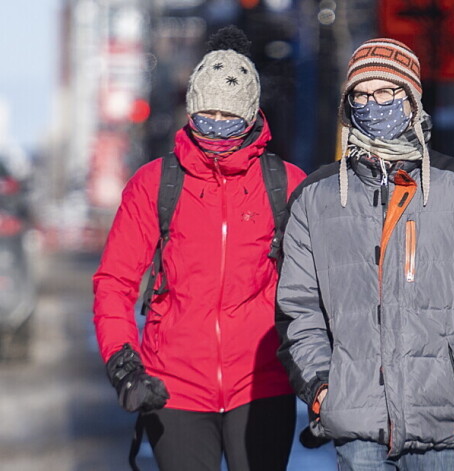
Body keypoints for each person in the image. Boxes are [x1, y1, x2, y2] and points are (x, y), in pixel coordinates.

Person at [276, 38, 454, 470]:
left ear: (412, 99)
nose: (372, 104)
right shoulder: (316, 197)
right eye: (361, 94)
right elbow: (296, 307)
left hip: (450, 418)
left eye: (386, 92)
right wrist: (323, 388)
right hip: (358, 423)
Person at [93, 25, 306, 471]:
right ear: (190, 111)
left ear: (251, 116)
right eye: (206, 114)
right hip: (173, 387)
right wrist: (123, 362)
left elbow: (323, 286)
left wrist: (321, 372)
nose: (217, 127)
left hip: (262, 385)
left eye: (229, 117)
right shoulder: (154, 184)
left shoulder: (286, 184)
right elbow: (114, 282)